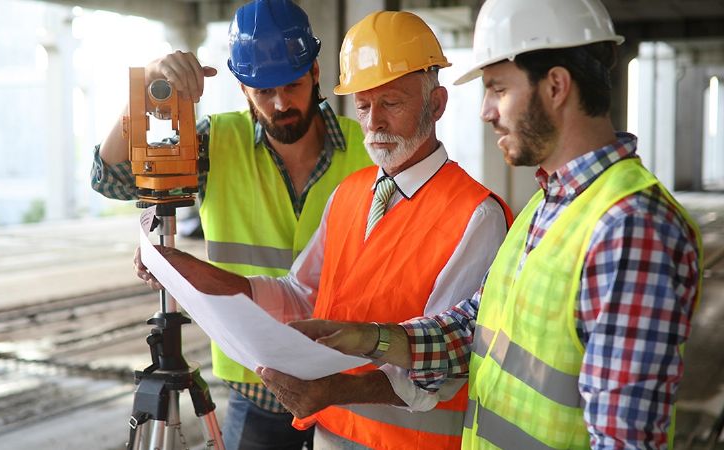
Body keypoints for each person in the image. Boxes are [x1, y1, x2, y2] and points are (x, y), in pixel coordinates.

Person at [286, 0, 704, 448]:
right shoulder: (546, 204)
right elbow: (471, 330)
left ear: (556, 86)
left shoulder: (630, 227)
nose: (486, 111)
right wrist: (367, 338)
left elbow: (625, 439)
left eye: (497, 89)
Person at [135, 10, 511, 450]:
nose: (374, 122)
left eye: (392, 103)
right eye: (364, 105)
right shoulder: (350, 193)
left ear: (438, 104)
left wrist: (335, 389)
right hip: (330, 436)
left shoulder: (475, 215)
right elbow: (300, 296)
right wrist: (187, 270)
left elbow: (447, 363)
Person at [91, 0, 374, 448]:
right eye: (264, 91)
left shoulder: (369, 149)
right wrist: (147, 86)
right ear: (242, 88)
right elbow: (110, 178)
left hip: (347, 382)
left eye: (293, 85)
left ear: (315, 73)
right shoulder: (214, 142)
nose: (281, 103)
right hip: (255, 384)